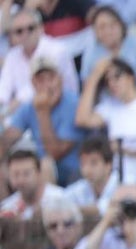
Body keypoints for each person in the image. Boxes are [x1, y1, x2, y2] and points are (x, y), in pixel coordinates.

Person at [0, 55, 84, 186]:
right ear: (33, 84)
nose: (47, 86)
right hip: (39, 168)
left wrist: (42, 112)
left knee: (44, 164)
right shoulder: (29, 105)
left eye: (51, 78)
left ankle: (43, 206)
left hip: (73, 172)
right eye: (41, 80)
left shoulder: (74, 103)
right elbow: (8, 139)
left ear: (60, 79)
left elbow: (55, 152)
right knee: (5, 169)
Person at [0, 8, 79, 111]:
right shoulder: (12, 55)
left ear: (40, 28)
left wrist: (11, 107)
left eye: (31, 28)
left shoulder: (56, 50)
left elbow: (41, 87)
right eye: (19, 31)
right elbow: (4, 89)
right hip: (26, 112)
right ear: (13, 35)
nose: (25, 34)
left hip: (61, 107)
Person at [78, 5, 136, 88]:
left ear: (121, 25)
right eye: (102, 27)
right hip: (105, 100)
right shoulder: (91, 51)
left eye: (113, 25)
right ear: (95, 31)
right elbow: (86, 86)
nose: (108, 31)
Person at [0, 148, 64, 219]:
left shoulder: (60, 198)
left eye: (26, 173)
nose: (21, 180)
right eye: (16, 174)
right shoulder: (7, 207)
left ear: (39, 173)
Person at [64, 136, 119, 213]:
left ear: (109, 165)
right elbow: (60, 203)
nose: (87, 170)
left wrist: (72, 210)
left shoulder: (124, 183)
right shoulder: (80, 187)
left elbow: (104, 210)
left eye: (93, 163)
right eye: (83, 164)